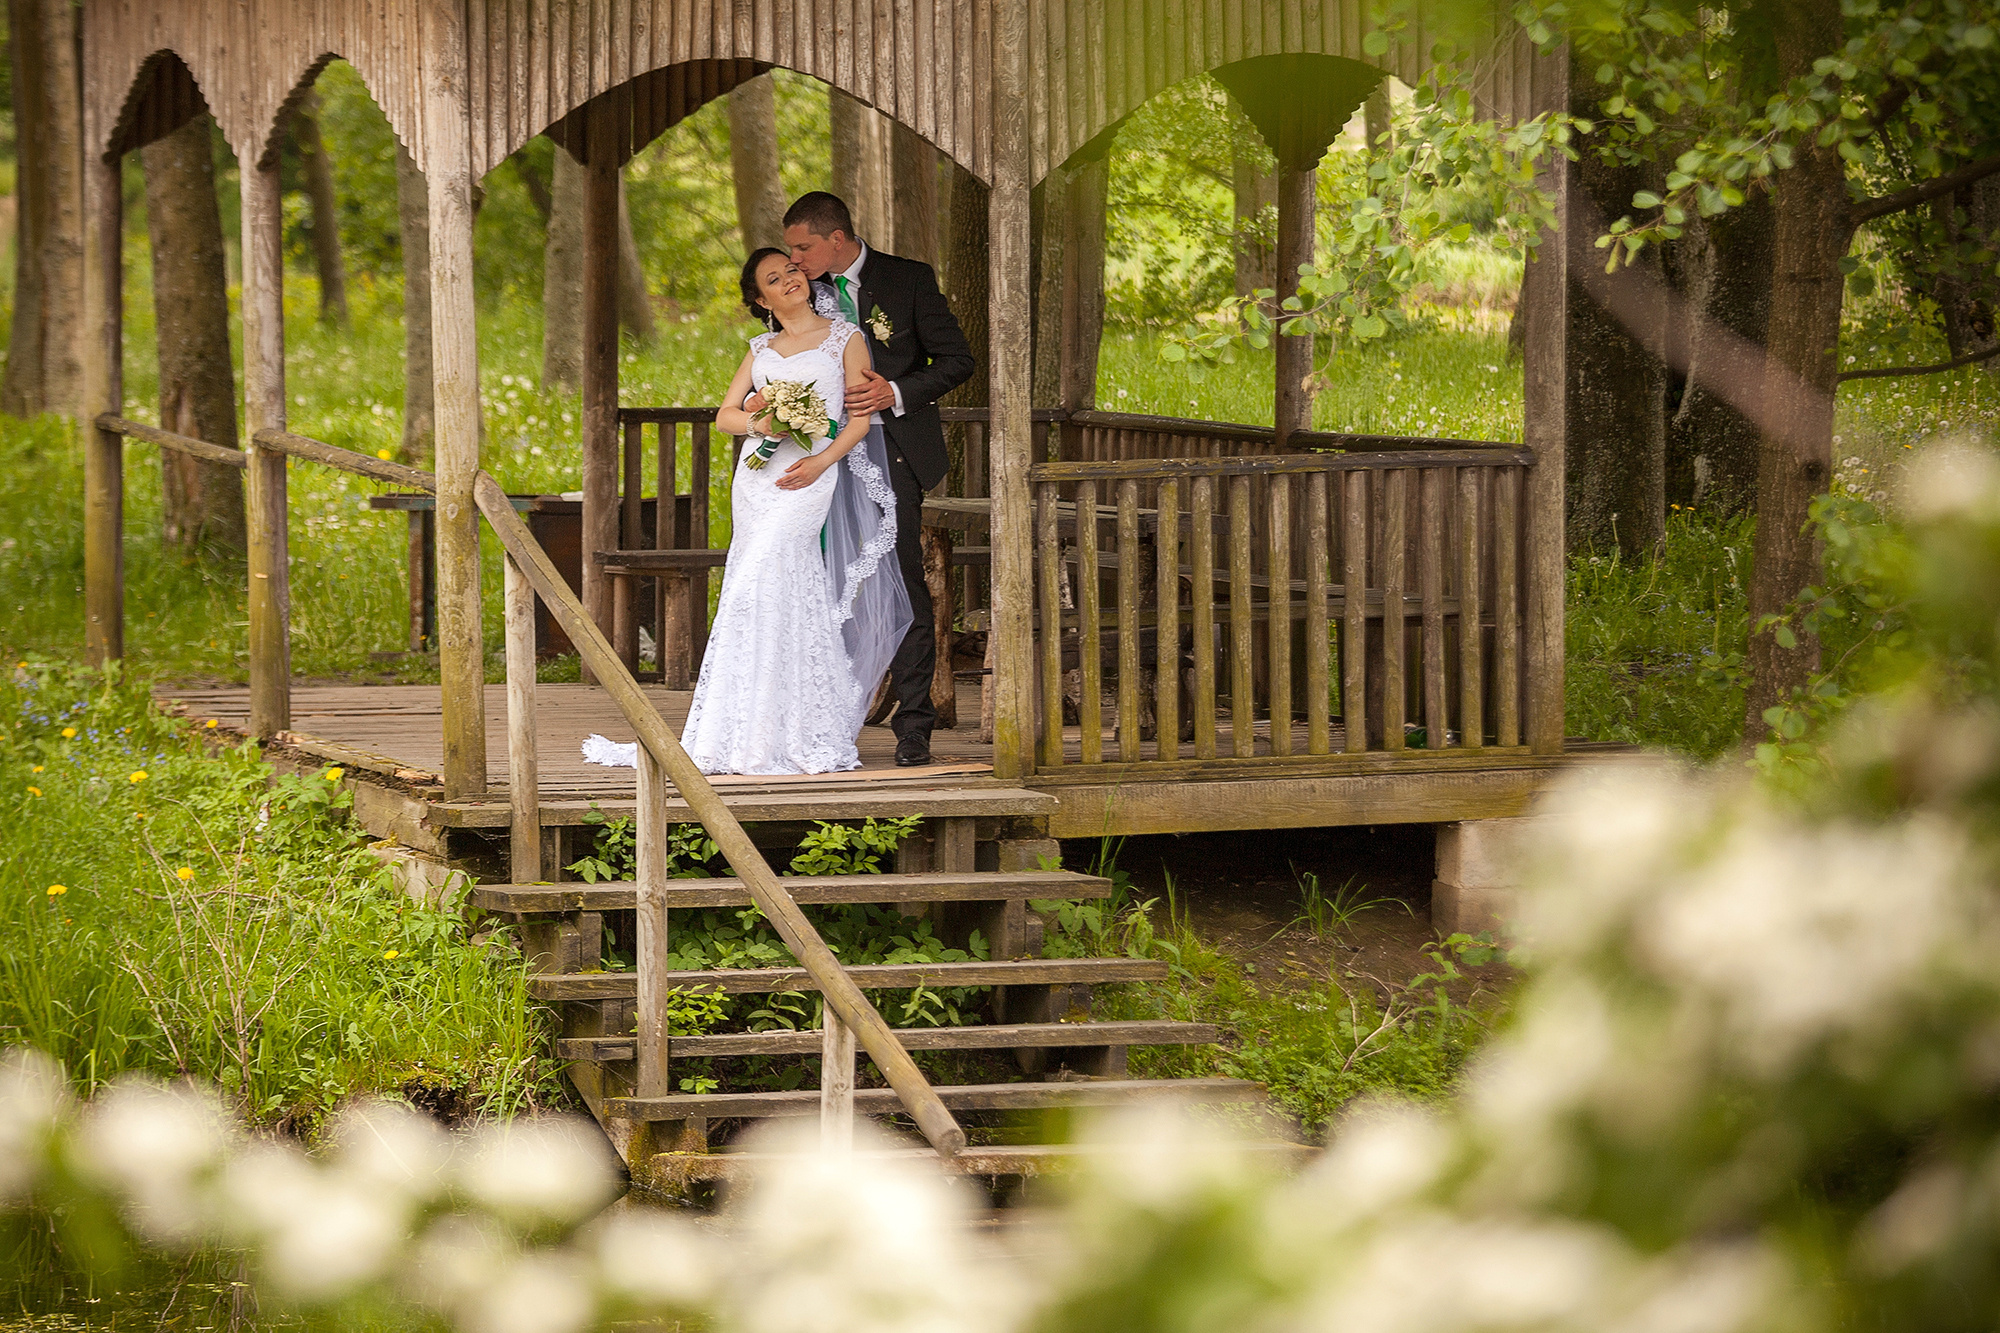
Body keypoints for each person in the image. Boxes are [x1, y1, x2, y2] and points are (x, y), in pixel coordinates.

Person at [581, 248, 910, 775]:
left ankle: (796, 727)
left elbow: (858, 421)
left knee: (774, 577)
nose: (791, 280)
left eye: (793, 271)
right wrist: (762, 423)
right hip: (758, 480)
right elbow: (725, 416)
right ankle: (742, 725)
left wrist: (820, 462)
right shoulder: (761, 349)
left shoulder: (845, 338)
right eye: (775, 279)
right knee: (751, 586)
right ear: (762, 299)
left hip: (808, 476)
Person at [782, 191, 976, 767]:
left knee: (900, 580)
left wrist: (894, 391)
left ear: (837, 239)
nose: (794, 260)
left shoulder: (908, 280)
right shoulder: (797, 291)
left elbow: (957, 360)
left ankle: (913, 726)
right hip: (815, 452)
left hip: (891, 450)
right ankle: (817, 718)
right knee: (813, 579)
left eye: (803, 248)